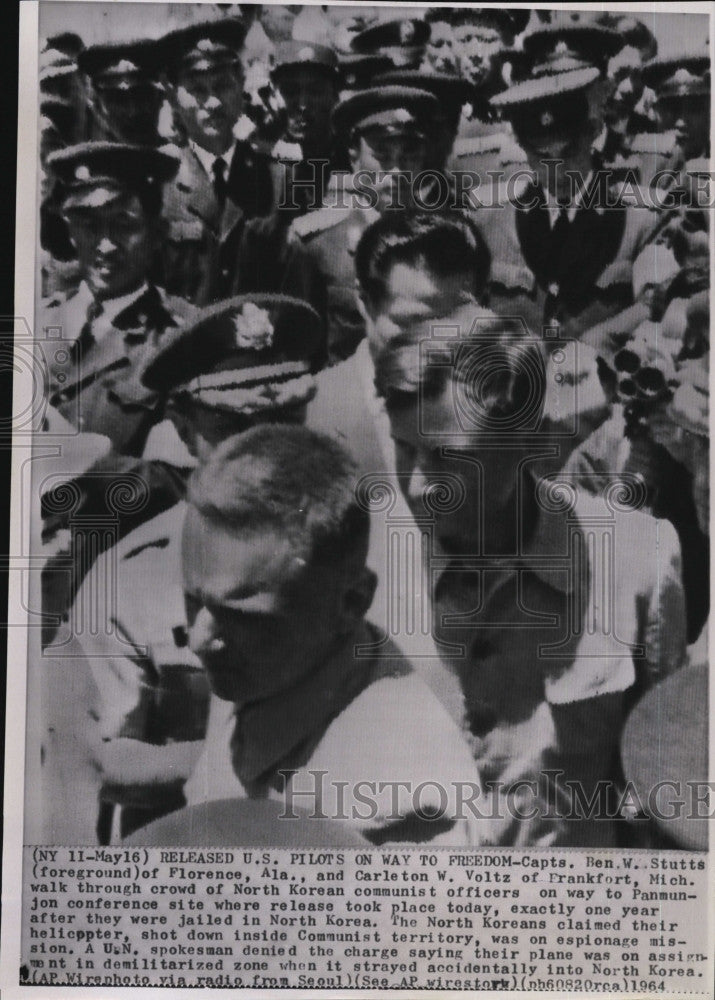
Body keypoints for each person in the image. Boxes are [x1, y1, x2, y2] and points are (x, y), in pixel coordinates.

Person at [356, 213, 687, 847]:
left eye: (453, 456)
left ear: (529, 444)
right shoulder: (353, 566)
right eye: (406, 451)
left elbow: (665, 788)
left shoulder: (636, 557)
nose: (422, 484)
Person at [46, 294, 326, 844]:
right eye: (234, 426)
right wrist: (246, 758)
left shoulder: (364, 542)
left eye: (285, 419)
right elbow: (96, 755)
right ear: (182, 424)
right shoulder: (133, 575)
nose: (264, 448)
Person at [181, 424, 485, 846]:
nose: (199, 640)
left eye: (241, 616)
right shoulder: (260, 662)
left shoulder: (395, 795)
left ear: (351, 603)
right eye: (195, 601)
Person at [480, 16, 659, 341]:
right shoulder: (488, 219)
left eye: (567, 153)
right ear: (522, 147)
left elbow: (655, 309)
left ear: (592, 131)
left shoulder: (641, 220)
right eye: (541, 155)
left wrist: (601, 340)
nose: (557, 170)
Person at [41, 141, 193, 454]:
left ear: (156, 233)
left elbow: (174, 478)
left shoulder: (178, 339)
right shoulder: (37, 320)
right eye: (89, 226)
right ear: (70, 232)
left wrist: (78, 464)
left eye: (124, 225)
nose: (106, 245)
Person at [282, 84, 441, 362]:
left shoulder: (445, 236)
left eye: (409, 154)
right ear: (354, 156)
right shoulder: (319, 243)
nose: (397, 170)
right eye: (382, 155)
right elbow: (300, 352)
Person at [156, 15, 273, 304]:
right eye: (197, 90)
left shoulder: (278, 177)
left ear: (241, 86)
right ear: (173, 97)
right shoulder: (159, 184)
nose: (213, 102)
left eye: (222, 85)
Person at [77, 39, 166, 146]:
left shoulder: (186, 160)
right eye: (117, 99)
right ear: (97, 109)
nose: (133, 111)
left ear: (161, 97)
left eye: (142, 95)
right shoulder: (84, 162)